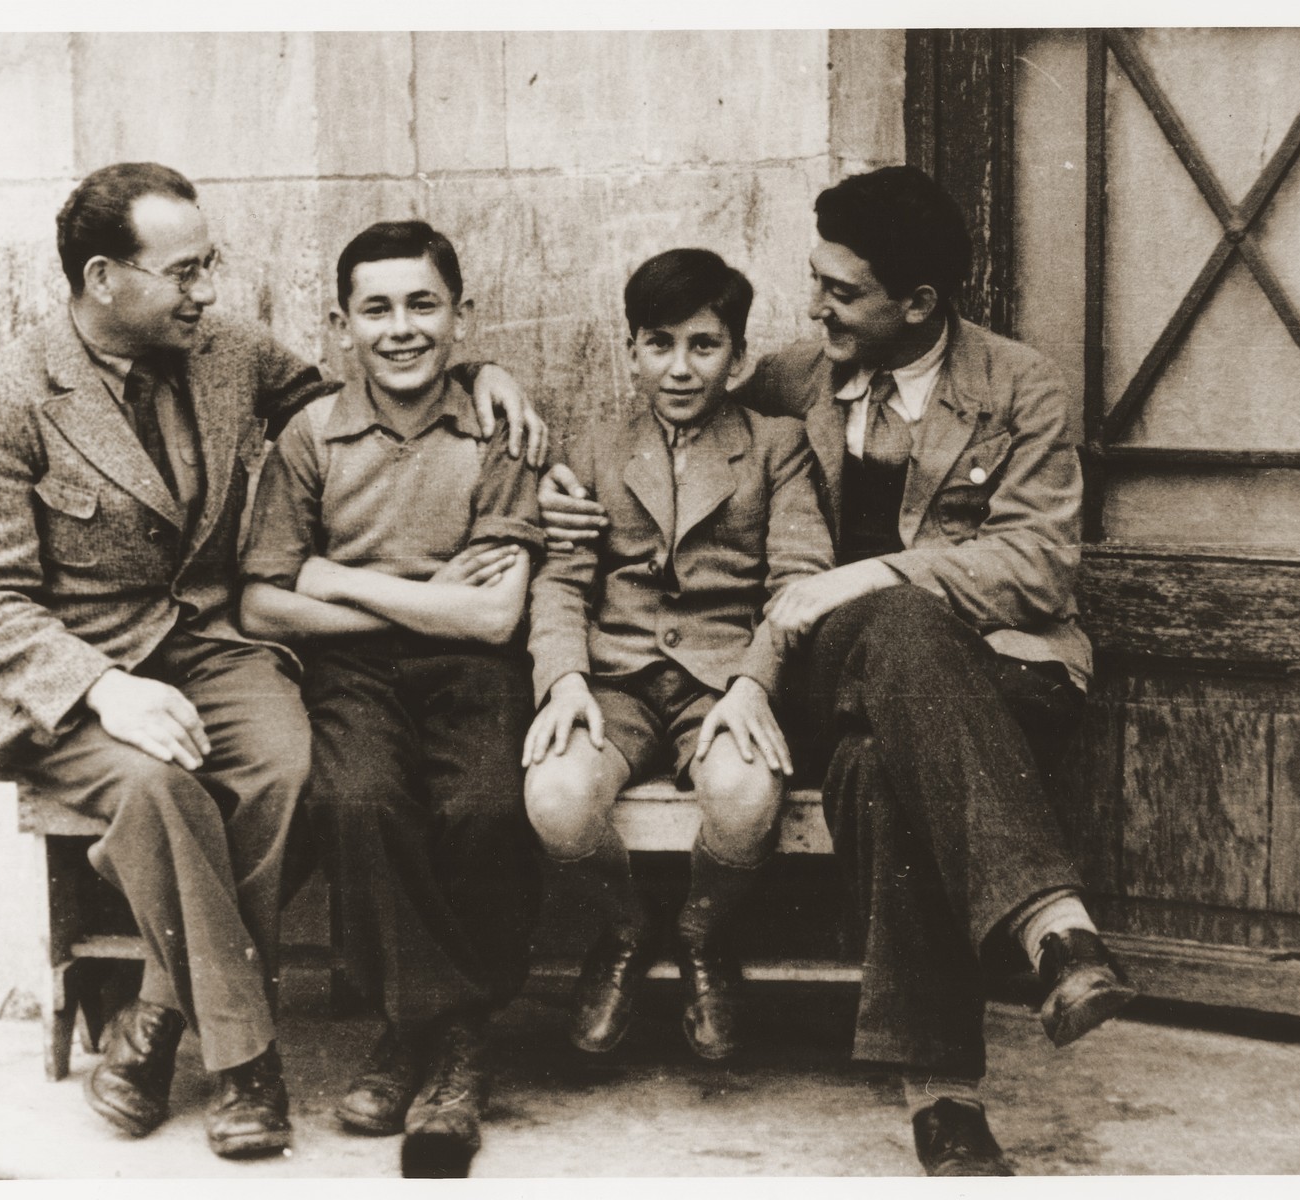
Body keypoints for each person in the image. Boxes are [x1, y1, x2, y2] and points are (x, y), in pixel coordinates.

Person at [540, 166, 1136, 1176]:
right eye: (814, 282)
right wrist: (558, 485)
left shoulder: (1016, 387)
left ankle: (943, 1097)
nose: (815, 306)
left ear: (918, 304)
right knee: (886, 664)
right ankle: (1052, 928)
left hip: (998, 673)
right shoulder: (790, 379)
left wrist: (860, 580)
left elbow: (1037, 564)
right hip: (829, 678)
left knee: (875, 759)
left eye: (840, 291)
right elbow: (675, 434)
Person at [0, 163, 542, 1161]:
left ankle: (158, 1014)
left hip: (208, 646)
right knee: (165, 790)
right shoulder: (7, 399)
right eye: (184, 271)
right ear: (102, 278)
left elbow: (366, 390)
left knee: (284, 765)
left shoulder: (226, 351)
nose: (206, 290)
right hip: (72, 680)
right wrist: (104, 688)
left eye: (207, 266)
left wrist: (482, 379)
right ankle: (242, 1062)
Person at [239, 220, 543, 1178]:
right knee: (358, 799)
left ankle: (425, 1041)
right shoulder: (310, 435)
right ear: (341, 325)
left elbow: (494, 621)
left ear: (461, 316)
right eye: (376, 308)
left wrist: (338, 578)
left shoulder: (499, 427)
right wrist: (416, 606)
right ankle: (439, 1043)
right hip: (354, 673)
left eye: (424, 304)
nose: (401, 328)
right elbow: (258, 599)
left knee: (489, 804)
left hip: (475, 674)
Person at [523, 249, 833, 1062]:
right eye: (659, 344)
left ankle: (701, 936)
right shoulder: (593, 447)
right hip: (614, 678)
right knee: (556, 795)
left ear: (736, 353)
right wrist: (562, 681)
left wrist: (755, 685)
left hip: (724, 680)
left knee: (743, 792)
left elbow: (799, 579)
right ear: (632, 350)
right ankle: (627, 933)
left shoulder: (777, 444)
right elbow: (560, 579)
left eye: (705, 344)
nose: (681, 367)